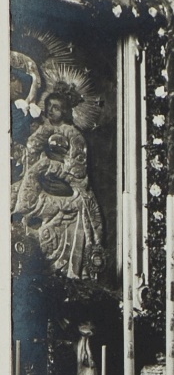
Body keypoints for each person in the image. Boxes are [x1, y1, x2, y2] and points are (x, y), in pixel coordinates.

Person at [13, 86, 105, 279]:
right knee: (15, 195)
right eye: (48, 106)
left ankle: (67, 268)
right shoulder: (44, 129)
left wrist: (59, 172)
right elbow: (32, 150)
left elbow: (77, 168)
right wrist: (39, 164)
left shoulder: (74, 135)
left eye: (55, 107)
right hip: (43, 182)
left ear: (66, 111)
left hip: (67, 185)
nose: (50, 110)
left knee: (80, 208)